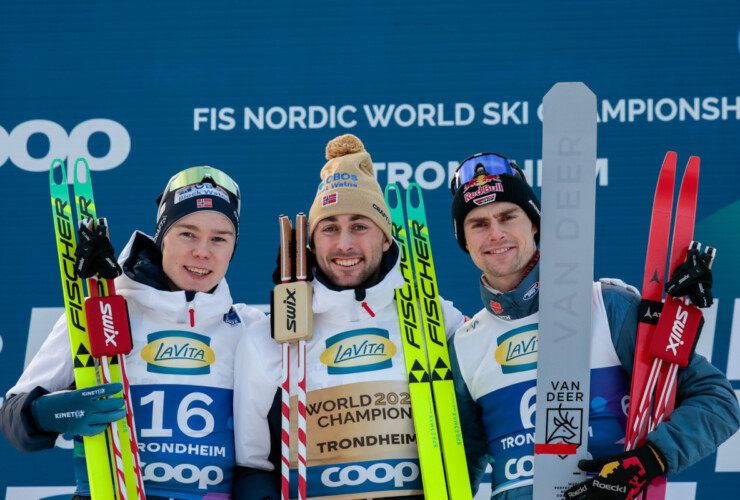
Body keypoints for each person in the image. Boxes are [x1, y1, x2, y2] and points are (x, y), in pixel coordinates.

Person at [446, 152, 740, 499]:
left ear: (534, 224)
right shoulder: (465, 344)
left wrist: (647, 461)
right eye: (478, 224)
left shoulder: (608, 306)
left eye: (508, 216)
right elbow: (458, 468)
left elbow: (717, 401)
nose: (495, 234)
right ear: (465, 241)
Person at [0, 166, 268, 499]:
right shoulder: (101, 312)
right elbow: (12, 419)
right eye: (187, 233)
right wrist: (50, 412)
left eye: (219, 239)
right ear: (162, 236)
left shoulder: (249, 328)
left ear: (233, 248)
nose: (202, 251)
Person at [232, 134, 466, 499]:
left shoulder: (435, 319)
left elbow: (476, 433)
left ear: (386, 238)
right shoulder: (270, 337)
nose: (344, 244)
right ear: (310, 243)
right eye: (329, 228)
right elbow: (252, 465)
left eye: (359, 225)